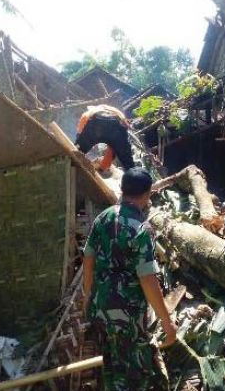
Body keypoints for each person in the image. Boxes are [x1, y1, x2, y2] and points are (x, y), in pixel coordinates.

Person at [82, 167, 176, 390]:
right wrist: (166, 320)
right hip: (128, 314)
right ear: (147, 194)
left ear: (122, 190)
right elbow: (148, 280)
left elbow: (88, 259)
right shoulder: (141, 229)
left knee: (112, 366)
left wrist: (88, 297)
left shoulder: (102, 218)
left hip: (101, 306)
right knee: (134, 373)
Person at [75, 104, 135, 171]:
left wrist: (80, 146)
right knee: (128, 162)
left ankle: (73, 163)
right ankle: (133, 175)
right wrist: (102, 168)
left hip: (96, 123)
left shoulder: (87, 114)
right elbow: (111, 151)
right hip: (117, 124)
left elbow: (80, 134)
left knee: (78, 152)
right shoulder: (113, 110)